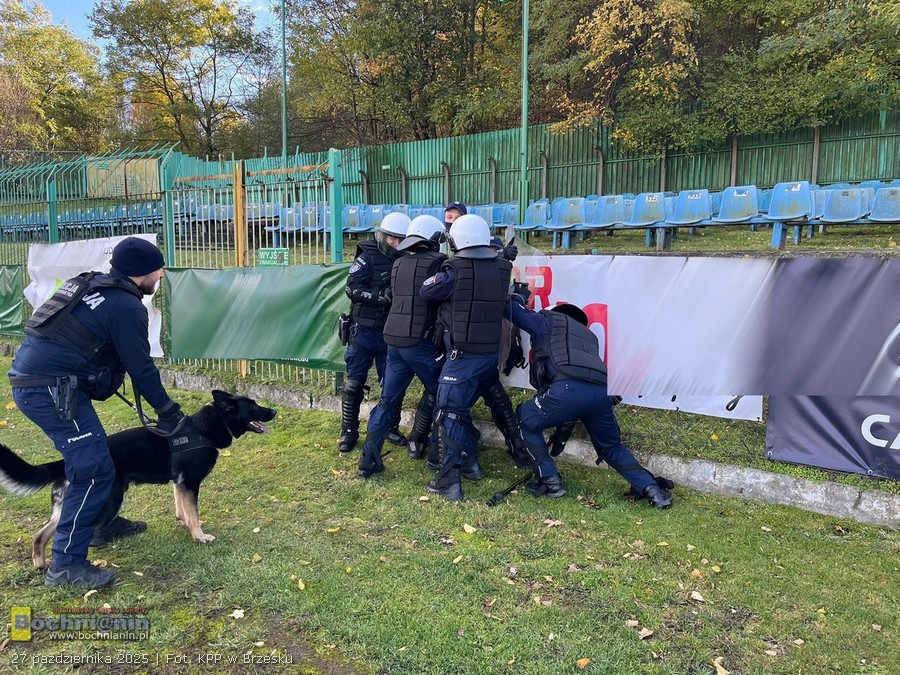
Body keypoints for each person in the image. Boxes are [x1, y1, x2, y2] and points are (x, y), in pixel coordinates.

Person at [8, 236, 192, 587]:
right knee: (92, 469)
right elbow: (141, 368)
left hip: (43, 382)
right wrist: (167, 410)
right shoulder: (125, 306)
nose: (162, 276)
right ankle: (66, 565)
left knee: (97, 461)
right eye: (159, 270)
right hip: (50, 389)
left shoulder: (95, 285)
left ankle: (103, 523)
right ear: (143, 273)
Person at [508, 294, 674, 507]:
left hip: (566, 390)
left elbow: (512, 310)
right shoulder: (589, 337)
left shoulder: (546, 321)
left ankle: (550, 482)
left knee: (525, 418)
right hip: (601, 393)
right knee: (611, 446)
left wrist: (517, 296)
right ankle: (653, 491)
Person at [420, 214, 512, 501]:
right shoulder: (502, 268)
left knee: (448, 414)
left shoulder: (454, 271)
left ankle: (448, 481)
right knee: (460, 413)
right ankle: (470, 466)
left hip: (461, 358)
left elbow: (426, 290)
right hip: (488, 356)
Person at [357, 215, 447, 478]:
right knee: (445, 395)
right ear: (433, 239)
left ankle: (367, 461)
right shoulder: (439, 263)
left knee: (387, 403)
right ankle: (435, 458)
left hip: (393, 342)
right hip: (419, 343)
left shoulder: (398, 263)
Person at [338, 212, 410, 454]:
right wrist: (380, 298)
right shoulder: (367, 255)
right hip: (363, 331)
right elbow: (352, 287)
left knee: (392, 386)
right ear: (383, 236)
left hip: (390, 333)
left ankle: (390, 426)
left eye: (401, 240)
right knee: (353, 385)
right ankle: (348, 431)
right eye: (392, 239)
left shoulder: (408, 259)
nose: (396, 245)